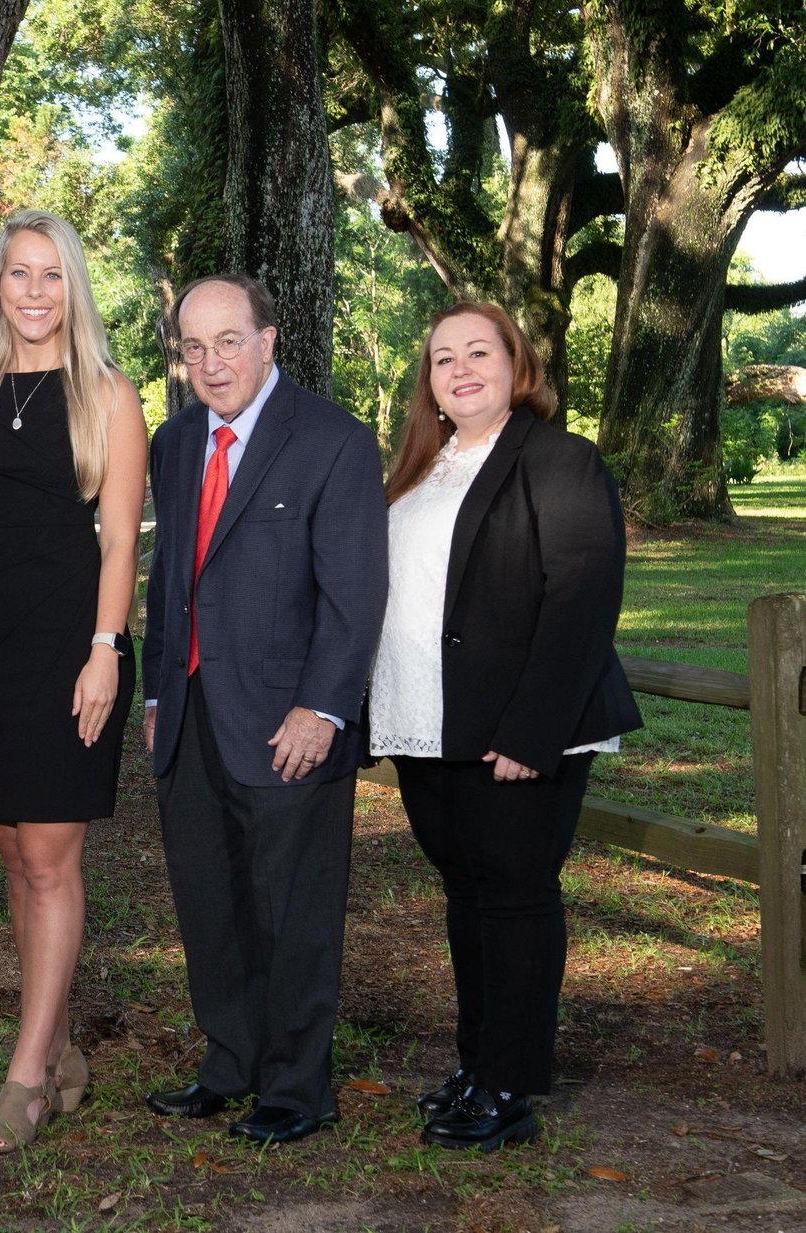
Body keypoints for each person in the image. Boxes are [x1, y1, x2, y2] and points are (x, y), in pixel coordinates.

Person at [370, 302, 641, 1151]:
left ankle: (511, 1083)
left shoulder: (560, 460)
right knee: (466, 894)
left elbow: (582, 598)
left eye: (478, 351)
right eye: (442, 358)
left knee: (516, 897)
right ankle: (479, 1060)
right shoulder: (421, 467)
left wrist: (532, 733)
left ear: (515, 364)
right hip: (430, 721)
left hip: (520, 730)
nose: (460, 369)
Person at [139, 274, 388, 1145]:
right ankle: (230, 1062)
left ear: (269, 339)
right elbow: (170, 576)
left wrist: (323, 707)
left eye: (229, 341)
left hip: (289, 722)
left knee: (293, 906)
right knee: (209, 898)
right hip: (192, 714)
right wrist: (160, 690)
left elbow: (356, 594)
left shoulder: (333, 441)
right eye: (194, 347)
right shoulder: (173, 444)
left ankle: (296, 1086)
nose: (212, 363)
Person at [0, 210, 146, 1152]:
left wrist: (106, 647)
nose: (33, 292)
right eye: (18, 274)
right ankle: (60, 1047)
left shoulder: (110, 395)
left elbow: (117, 544)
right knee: (14, 860)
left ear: (74, 288)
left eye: (51, 275)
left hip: (73, 648)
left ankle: (24, 1080)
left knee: (52, 858)